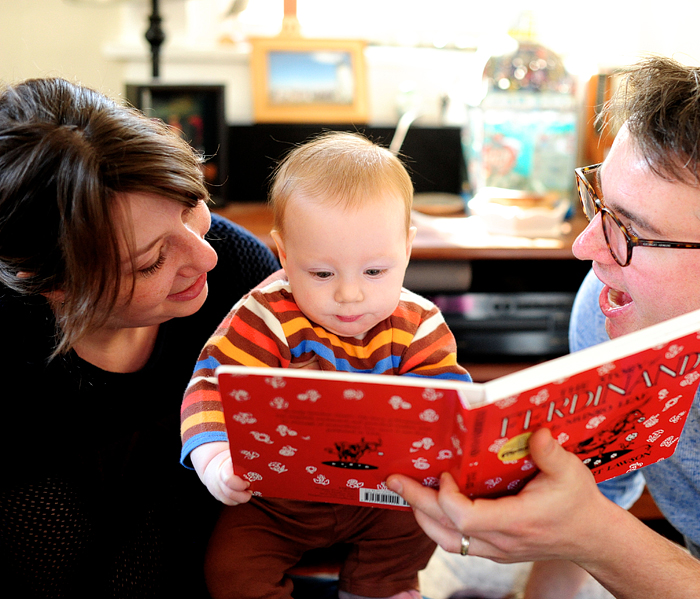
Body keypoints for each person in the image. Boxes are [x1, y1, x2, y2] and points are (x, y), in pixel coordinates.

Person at [386, 56, 700, 599]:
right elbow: (594, 497)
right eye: (599, 203)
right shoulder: (615, 306)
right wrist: (578, 531)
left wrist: (591, 534)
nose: (588, 248)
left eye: (631, 231)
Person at [0, 77, 281, 598]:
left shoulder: (240, 274)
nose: (206, 256)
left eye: (191, 204)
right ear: (52, 285)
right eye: (151, 261)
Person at [180, 131, 472, 599]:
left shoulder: (419, 324)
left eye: (375, 271)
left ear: (408, 250)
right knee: (230, 569)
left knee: (423, 520)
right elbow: (210, 386)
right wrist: (216, 459)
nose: (350, 294)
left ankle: (381, 586)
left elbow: (445, 405)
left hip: (382, 492)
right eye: (322, 273)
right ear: (285, 253)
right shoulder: (265, 315)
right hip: (278, 500)